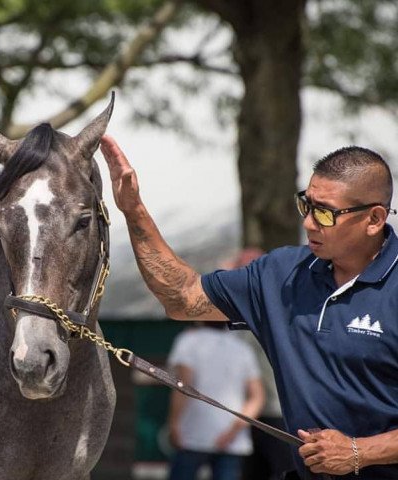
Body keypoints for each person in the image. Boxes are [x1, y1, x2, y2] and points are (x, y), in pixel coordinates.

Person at [100, 136, 398, 480]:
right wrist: (134, 210)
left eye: (325, 213)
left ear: (374, 219)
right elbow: (182, 297)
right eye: (307, 205)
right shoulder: (280, 273)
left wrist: (360, 452)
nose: (309, 223)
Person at [220, 249, 295, 480]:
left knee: (280, 471)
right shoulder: (245, 307)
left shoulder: (277, 307)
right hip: (247, 413)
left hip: (277, 411)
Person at [167, 321, 264, 480]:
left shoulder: (188, 341)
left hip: (191, 434)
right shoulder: (242, 348)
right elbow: (257, 397)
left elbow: (183, 387)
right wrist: (233, 430)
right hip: (232, 441)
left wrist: (174, 423)